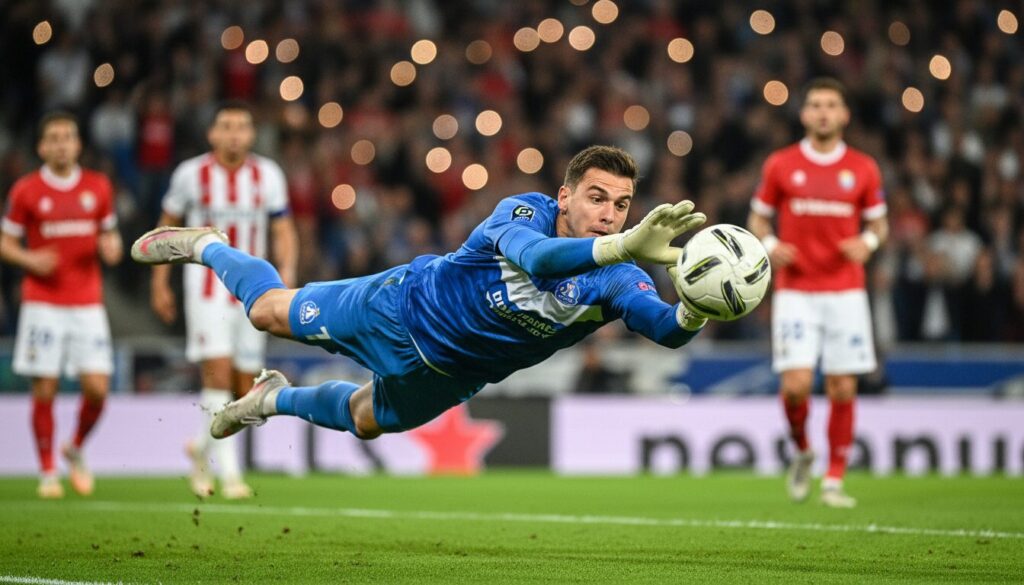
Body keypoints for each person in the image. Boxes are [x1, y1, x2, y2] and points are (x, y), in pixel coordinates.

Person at [132, 145, 710, 449]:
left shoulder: (617, 278)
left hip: (452, 375)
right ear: (564, 196)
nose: (609, 216)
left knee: (364, 420)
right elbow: (538, 261)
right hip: (400, 309)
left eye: (622, 205)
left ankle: (269, 400)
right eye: (596, 198)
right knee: (266, 313)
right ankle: (209, 245)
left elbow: (666, 329)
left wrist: (700, 303)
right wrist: (625, 245)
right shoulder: (523, 213)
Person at [747, 78, 889, 508]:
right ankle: (804, 451)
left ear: (844, 114)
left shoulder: (863, 168)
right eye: (815, 105)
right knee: (796, 386)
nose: (823, 112)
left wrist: (868, 244)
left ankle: (833, 480)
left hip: (846, 290)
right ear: (804, 114)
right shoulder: (781, 164)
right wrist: (772, 248)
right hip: (796, 290)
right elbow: (758, 219)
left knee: (843, 387)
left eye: (831, 105)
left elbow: (879, 224)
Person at [147, 101, 297, 499]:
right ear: (212, 133)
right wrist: (160, 283)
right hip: (206, 289)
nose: (234, 134)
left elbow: (283, 230)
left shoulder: (268, 175)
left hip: (253, 293)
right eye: (226, 126)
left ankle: (199, 448)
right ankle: (230, 475)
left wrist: (288, 276)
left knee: (245, 385)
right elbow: (167, 229)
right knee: (216, 374)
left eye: (242, 126)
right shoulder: (190, 174)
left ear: (251, 134)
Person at [0, 112, 123, 499]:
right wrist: (29, 261)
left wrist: (112, 249)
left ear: (78, 144)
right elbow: (5, 242)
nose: (61, 144)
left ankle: (75, 447)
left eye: (67, 137)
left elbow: (111, 239)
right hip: (43, 302)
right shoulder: (26, 190)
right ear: (41, 146)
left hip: (88, 301)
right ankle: (48, 471)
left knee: (98, 389)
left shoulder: (98, 187)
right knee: (45, 388)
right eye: (53, 138)